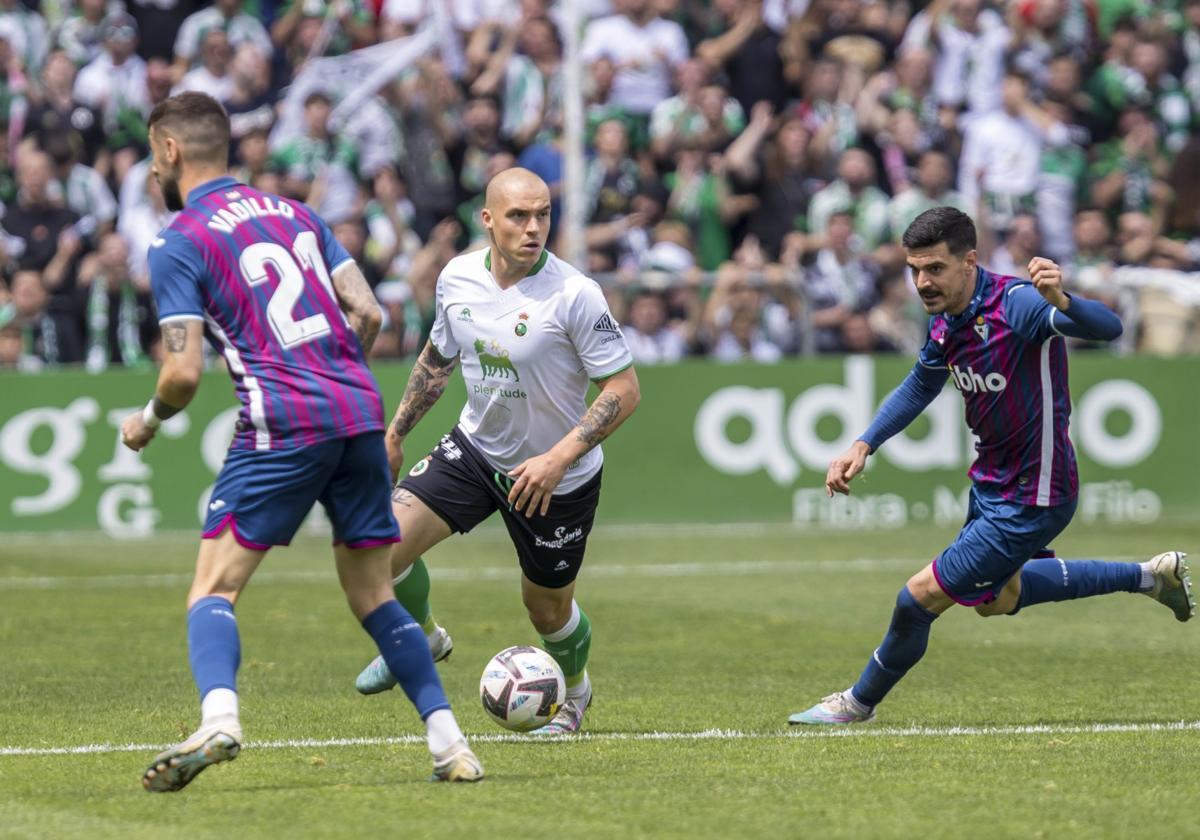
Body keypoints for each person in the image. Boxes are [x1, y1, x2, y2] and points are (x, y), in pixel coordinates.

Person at [119, 92, 481, 790]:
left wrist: (148, 422)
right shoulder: (298, 214)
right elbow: (368, 310)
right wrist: (338, 375)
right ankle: (451, 744)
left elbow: (184, 371)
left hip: (282, 420)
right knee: (375, 594)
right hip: (357, 409)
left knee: (212, 589)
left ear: (168, 151)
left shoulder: (179, 239)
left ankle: (220, 719)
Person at [789, 206, 1194, 726]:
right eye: (914, 269)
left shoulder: (1018, 305)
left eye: (934, 268)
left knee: (918, 598)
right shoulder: (947, 320)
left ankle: (857, 702)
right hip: (992, 485)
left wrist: (1062, 300)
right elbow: (920, 383)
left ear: (969, 261)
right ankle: (1149, 578)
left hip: (1035, 493)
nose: (922, 281)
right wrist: (866, 442)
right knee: (998, 599)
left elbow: (1110, 327)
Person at [352, 167, 641, 737]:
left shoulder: (575, 294)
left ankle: (575, 694)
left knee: (548, 613)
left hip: (555, 477)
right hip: (476, 450)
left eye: (543, 215)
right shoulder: (457, 276)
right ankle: (423, 638)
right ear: (488, 220)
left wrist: (558, 459)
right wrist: (395, 431)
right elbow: (438, 360)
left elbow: (624, 390)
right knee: (378, 548)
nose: (534, 228)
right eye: (518, 216)